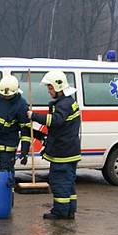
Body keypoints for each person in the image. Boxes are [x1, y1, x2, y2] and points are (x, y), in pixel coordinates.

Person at [27, 70, 81, 220]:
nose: (49, 91)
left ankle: (60, 212)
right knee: (68, 183)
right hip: (69, 150)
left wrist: (34, 116)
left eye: (50, 88)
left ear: (59, 87)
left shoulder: (63, 104)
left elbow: (55, 121)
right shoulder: (69, 102)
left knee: (60, 183)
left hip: (63, 153)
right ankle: (69, 211)